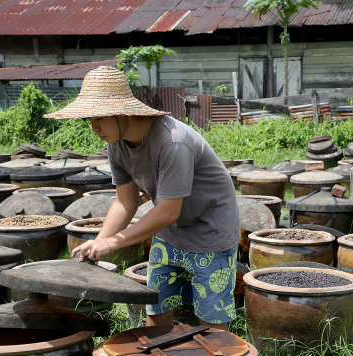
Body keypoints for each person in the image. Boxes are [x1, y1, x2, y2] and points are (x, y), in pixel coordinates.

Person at [45, 66, 239, 330]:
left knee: (211, 325)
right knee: (156, 311)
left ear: (122, 111)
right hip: (169, 232)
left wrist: (113, 243)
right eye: (88, 120)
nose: (94, 128)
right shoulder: (116, 147)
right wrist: (98, 243)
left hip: (210, 233)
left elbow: (168, 210)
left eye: (98, 118)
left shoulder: (172, 142)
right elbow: (126, 202)